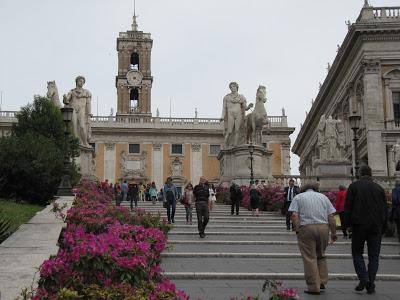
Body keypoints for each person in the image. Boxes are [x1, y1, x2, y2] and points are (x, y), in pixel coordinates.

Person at [344, 165, 388, 294]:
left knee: (357, 253)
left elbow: (348, 207)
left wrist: (346, 226)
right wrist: (383, 226)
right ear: (370, 174)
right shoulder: (379, 188)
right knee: (374, 256)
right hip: (376, 226)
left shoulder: (354, 186)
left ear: (360, 174)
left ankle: (363, 277)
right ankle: (371, 282)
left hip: (359, 226)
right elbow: (384, 209)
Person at [289, 183, 337, 295]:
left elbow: (295, 215)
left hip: (307, 228)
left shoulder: (298, 197)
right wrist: (333, 233)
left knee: (310, 257)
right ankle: (322, 281)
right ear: (316, 189)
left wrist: (297, 230)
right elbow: (331, 216)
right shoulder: (323, 197)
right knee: (321, 255)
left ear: (303, 189)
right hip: (323, 228)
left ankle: (313, 286)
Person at [63, 76, 92, 147]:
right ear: (77, 82)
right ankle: (76, 142)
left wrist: (88, 113)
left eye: (82, 81)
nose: (81, 83)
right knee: (74, 126)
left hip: (82, 110)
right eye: (80, 81)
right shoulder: (72, 92)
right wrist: (64, 98)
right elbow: (66, 101)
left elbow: (88, 104)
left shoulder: (86, 92)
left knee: (82, 126)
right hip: (73, 109)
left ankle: (85, 142)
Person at [221, 82, 253, 146]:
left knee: (237, 131)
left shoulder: (241, 97)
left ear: (237, 87)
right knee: (229, 131)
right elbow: (224, 108)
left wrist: (249, 106)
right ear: (230, 88)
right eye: (232, 87)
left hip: (238, 114)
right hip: (230, 114)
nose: (233, 88)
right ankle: (225, 145)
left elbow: (245, 108)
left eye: (234, 86)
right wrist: (222, 116)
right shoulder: (227, 97)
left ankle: (235, 145)